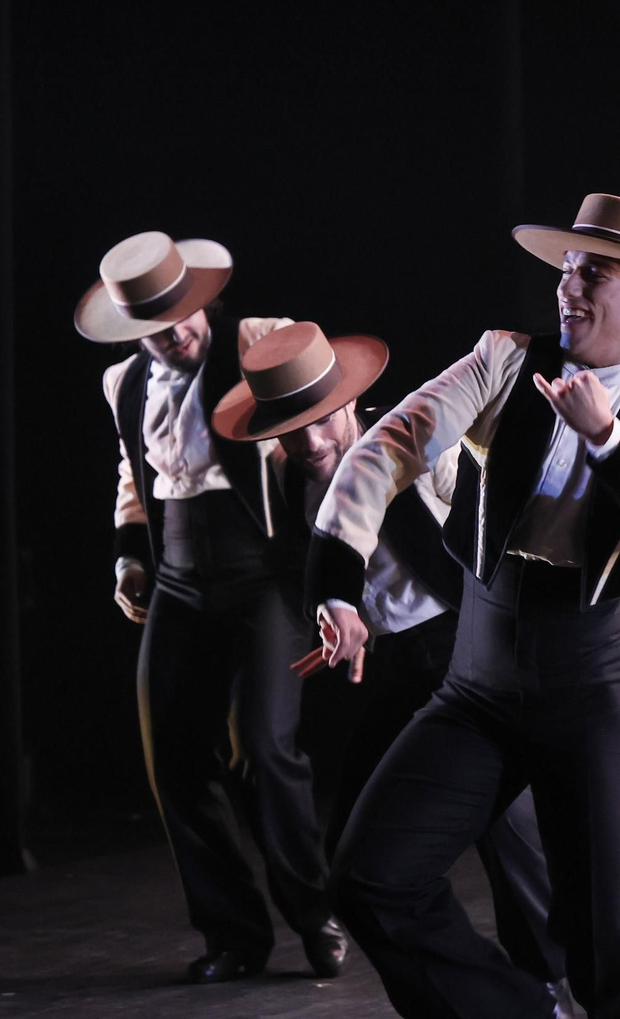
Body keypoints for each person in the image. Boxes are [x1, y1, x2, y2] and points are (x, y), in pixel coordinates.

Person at [309, 194, 620, 1018]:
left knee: (609, 945)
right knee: (369, 880)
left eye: (593, 272)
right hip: (481, 675)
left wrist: (609, 437)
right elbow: (389, 443)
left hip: (593, 682)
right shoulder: (503, 359)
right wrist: (336, 583)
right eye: (568, 267)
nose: (569, 285)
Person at [209, 321, 570, 1015]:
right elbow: (331, 563)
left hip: (462, 646)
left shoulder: (409, 446)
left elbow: (493, 535)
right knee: (354, 854)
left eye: (321, 421)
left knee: (508, 831)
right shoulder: (290, 477)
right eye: (291, 431)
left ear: (349, 403)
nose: (311, 444)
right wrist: (347, 620)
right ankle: (494, 993)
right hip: (398, 661)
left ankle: (546, 989)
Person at [77, 232, 343, 983]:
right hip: (181, 576)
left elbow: (324, 381)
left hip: (260, 569)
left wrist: (322, 441)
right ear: (137, 334)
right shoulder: (122, 383)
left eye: (189, 313)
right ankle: (233, 932)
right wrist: (131, 558)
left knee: (263, 747)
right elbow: (134, 476)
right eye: (161, 328)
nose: (182, 332)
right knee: (174, 757)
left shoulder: (255, 339)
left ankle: (315, 911)